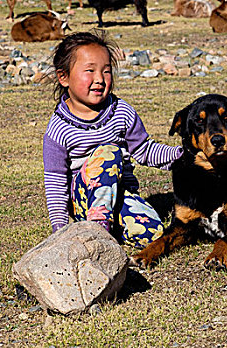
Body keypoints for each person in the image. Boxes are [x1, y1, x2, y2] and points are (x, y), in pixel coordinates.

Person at [43, 30, 182, 248]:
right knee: (109, 153)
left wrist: (181, 155)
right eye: (89, 71)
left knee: (153, 232)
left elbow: (145, 151)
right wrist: (59, 231)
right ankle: (96, 225)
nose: (99, 79)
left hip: (120, 194)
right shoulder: (58, 128)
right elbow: (55, 182)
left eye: (106, 71)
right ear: (64, 77)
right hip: (83, 201)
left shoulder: (122, 112)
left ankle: (106, 230)